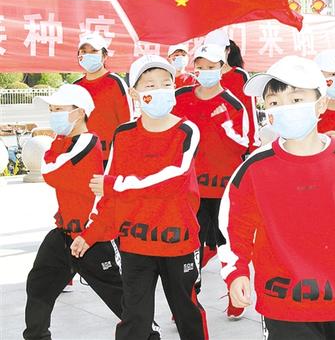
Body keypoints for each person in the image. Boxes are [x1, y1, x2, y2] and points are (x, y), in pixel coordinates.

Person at [218, 55, 335, 340]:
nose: (285, 108)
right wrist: (236, 271)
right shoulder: (254, 168)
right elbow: (234, 225)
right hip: (283, 303)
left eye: (296, 99)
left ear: (321, 104)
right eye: (274, 102)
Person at [71, 55, 208, 340]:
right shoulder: (123, 134)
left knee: (187, 313)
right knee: (134, 317)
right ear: (134, 93)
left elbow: (172, 180)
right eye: (150, 85)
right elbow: (110, 198)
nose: (160, 90)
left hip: (178, 242)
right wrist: (91, 233)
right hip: (135, 244)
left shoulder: (187, 130)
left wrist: (115, 185)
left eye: (166, 84)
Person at [23, 85, 124, 340]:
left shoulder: (87, 142)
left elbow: (50, 171)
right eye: (51, 109)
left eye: (59, 109)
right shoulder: (65, 142)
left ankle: (149, 334)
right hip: (64, 234)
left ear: (79, 113)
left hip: (91, 237)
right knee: (39, 285)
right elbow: (54, 168)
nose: (53, 115)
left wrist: (89, 235)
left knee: (120, 297)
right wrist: (56, 148)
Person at [172, 43, 249, 319]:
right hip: (189, 186)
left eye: (211, 67)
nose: (205, 71)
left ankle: (236, 295)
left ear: (221, 68)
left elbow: (243, 143)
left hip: (224, 187)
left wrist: (225, 122)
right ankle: (189, 300)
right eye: (201, 67)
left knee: (228, 244)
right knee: (190, 245)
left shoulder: (233, 104)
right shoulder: (180, 96)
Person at [74, 33, 133, 165]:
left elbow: (127, 122)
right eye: (84, 51)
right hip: (81, 155)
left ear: (105, 55)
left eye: (94, 51)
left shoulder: (116, 83)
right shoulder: (75, 87)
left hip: (110, 157)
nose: (88, 55)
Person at [205, 28, 260, 147]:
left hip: (236, 140)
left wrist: (252, 144)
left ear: (228, 50)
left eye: (219, 49)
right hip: (210, 143)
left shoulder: (239, 76)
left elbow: (250, 110)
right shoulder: (203, 77)